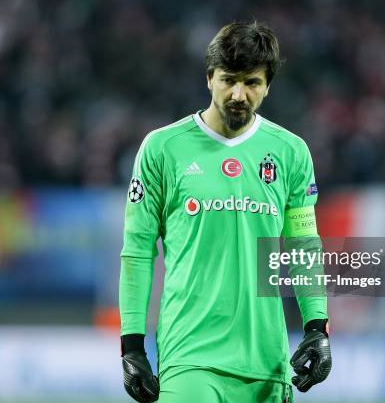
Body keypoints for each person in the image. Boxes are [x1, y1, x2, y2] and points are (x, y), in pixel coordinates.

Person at [119, 21, 331, 403]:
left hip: (267, 362)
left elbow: (303, 246)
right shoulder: (163, 149)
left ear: (267, 86)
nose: (238, 93)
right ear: (209, 79)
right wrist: (131, 345)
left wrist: (318, 326)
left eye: (251, 82)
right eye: (228, 79)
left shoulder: (291, 153)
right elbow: (137, 251)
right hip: (190, 358)